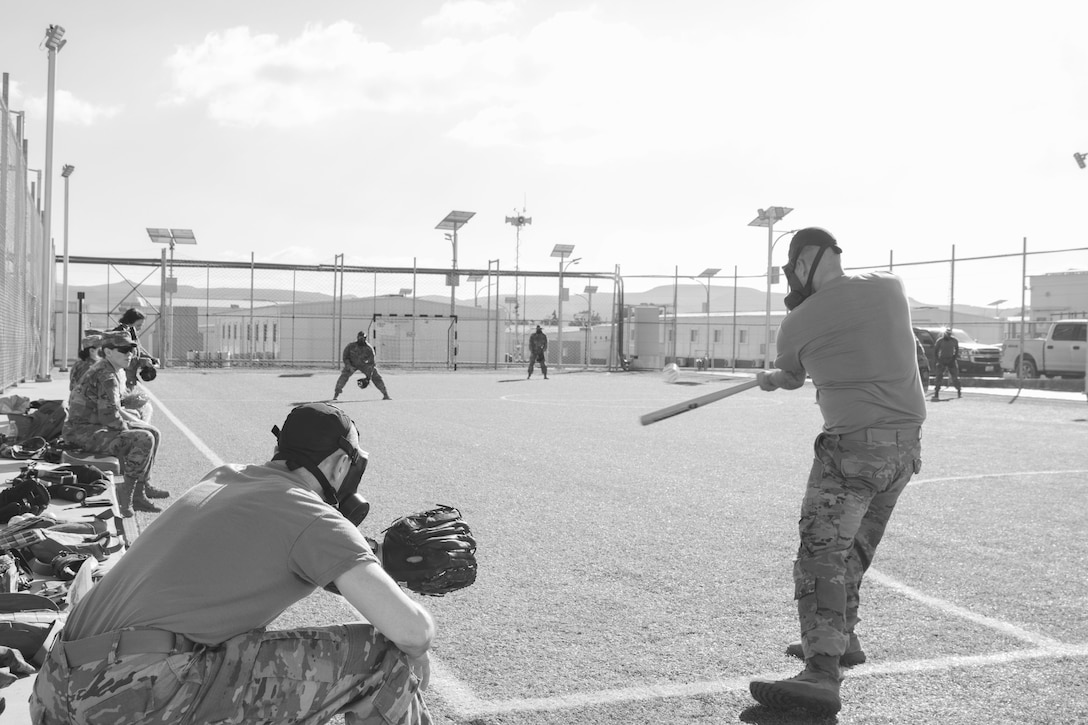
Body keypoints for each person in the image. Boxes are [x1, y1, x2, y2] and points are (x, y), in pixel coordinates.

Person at [30, 402, 436, 725]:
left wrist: (364, 555)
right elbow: (412, 633)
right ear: (339, 464)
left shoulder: (224, 476)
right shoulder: (314, 517)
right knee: (388, 656)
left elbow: (268, 543)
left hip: (56, 691)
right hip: (132, 698)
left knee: (241, 650)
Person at [748, 228, 926, 715]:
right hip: (903, 451)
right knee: (854, 550)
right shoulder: (890, 287)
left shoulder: (799, 321)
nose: (793, 279)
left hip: (852, 453)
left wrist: (771, 379)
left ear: (806, 259)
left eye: (792, 268)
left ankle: (822, 672)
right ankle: (842, 637)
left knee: (821, 555)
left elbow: (790, 375)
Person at [62, 330, 169, 516]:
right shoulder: (106, 375)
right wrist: (134, 427)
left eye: (131, 349)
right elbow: (110, 417)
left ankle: (141, 489)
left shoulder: (111, 369)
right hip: (82, 433)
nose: (129, 354)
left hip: (94, 426)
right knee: (143, 438)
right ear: (108, 352)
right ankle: (126, 497)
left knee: (153, 432)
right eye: (124, 349)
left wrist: (139, 422)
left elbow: (115, 409)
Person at [113, 308, 158, 421]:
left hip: (129, 380)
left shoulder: (131, 332)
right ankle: (140, 431)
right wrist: (142, 361)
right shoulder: (121, 335)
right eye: (139, 324)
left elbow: (137, 350)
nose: (141, 327)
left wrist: (149, 359)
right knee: (144, 409)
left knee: (143, 408)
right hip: (122, 380)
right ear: (130, 321)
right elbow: (124, 359)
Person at [334, 331, 391, 401]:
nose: (361, 339)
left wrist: (369, 376)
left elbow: (372, 363)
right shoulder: (351, 346)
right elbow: (345, 357)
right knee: (343, 377)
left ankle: (385, 394)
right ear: (357, 337)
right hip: (352, 364)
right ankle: (336, 395)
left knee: (376, 376)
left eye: (363, 338)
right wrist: (349, 366)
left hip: (364, 365)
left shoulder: (369, 348)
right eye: (360, 337)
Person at [931, 328, 962, 401]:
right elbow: (936, 352)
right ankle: (936, 392)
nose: (948, 335)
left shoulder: (954, 341)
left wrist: (953, 359)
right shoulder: (940, 341)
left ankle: (959, 391)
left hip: (951, 360)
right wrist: (938, 361)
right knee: (938, 377)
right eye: (947, 334)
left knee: (955, 377)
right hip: (942, 359)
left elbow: (956, 350)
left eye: (949, 334)